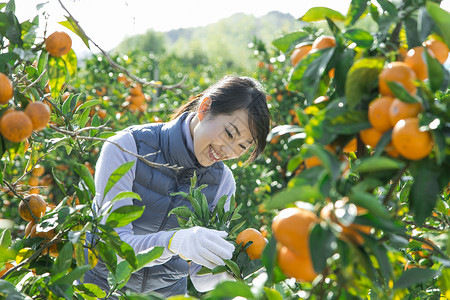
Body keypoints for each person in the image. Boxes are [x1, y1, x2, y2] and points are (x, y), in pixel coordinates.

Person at [83, 75, 271, 297]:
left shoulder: (223, 182)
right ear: (204, 108)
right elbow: (111, 247)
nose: (228, 151)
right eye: (229, 134)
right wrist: (173, 242)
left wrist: (232, 271)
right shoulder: (126, 148)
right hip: (100, 289)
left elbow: (201, 277)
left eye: (241, 146)